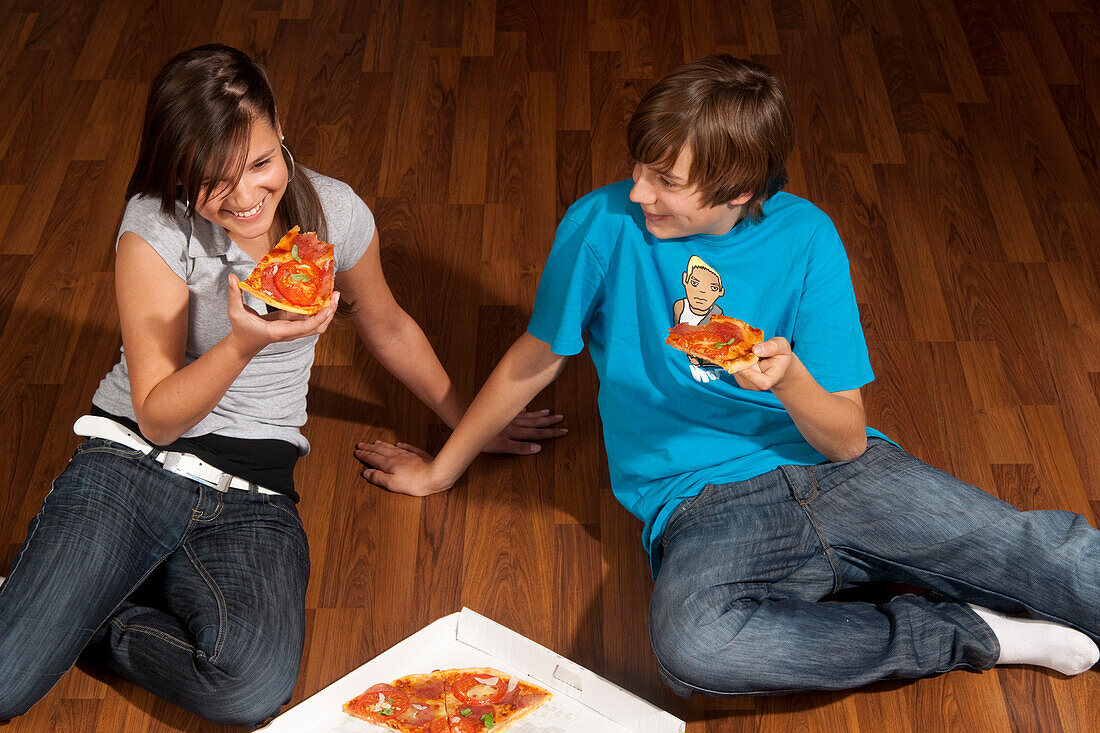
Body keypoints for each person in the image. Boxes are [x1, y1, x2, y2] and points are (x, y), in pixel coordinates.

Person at [355, 55, 1099, 695]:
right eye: (641, 165)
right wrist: (443, 470)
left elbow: (844, 441)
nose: (640, 191)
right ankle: (967, 633)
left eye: (666, 180)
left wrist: (788, 380)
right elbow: (535, 357)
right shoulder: (602, 224)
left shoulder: (807, 236)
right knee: (694, 648)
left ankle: (891, 577)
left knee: (1048, 556)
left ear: (739, 190)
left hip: (844, 478)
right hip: (701, 505)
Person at [0, 44, 564, 726]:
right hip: (132, 463)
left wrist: (470, 421)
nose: (245, 198)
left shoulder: (335, 212)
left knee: (249, 688)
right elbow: (156, 418)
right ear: (179, 170)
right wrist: (244, 341)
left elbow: (385, 325)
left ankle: (84, 616)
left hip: (254, 494)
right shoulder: (154, 225)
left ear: (280, 130)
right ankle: (50, 609)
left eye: (261, 163)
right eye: (211, 182)